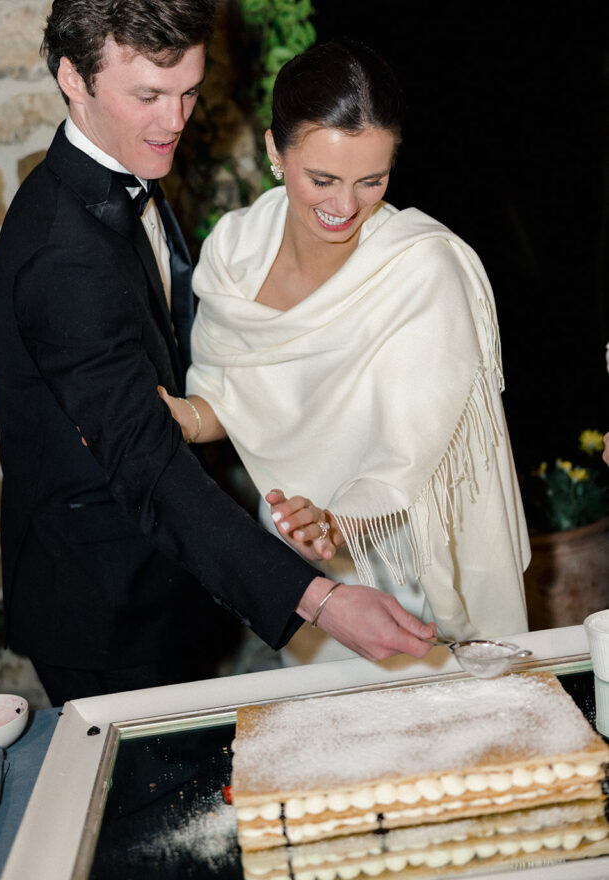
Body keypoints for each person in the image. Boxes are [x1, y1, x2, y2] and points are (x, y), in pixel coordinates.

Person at [0, 0, 434, 705]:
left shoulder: (128, 170)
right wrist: (317, 598)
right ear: (72, 78)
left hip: (167, 579)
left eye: (188, 93)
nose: (174, 123)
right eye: (150, 96)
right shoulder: (62, 256)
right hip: (104, 610)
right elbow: (143, 456)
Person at [160, 39, 531, 664]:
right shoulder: (235, 248)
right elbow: (228, 397)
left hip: (401, 563)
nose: (344, 206)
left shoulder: (422, 268)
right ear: (277, 151)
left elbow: (414, 451)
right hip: (300, 565)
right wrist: (181, 418)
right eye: (322, 178)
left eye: (372, 181)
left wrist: (335, 522)